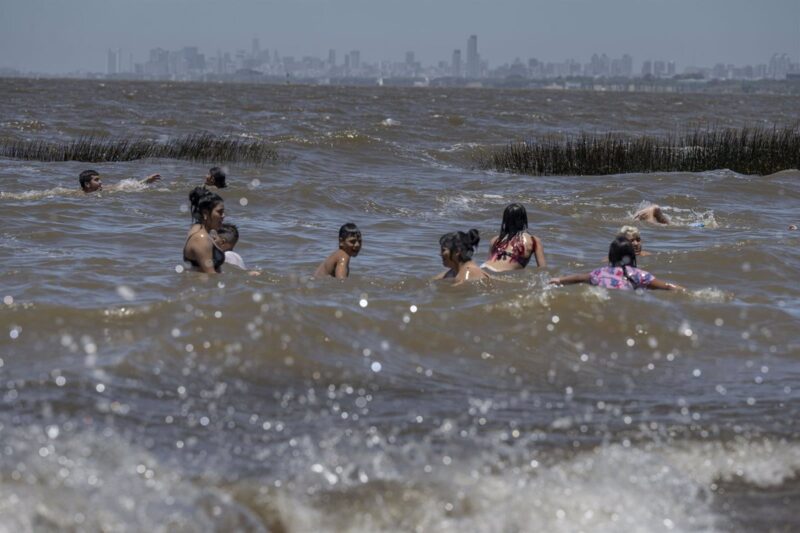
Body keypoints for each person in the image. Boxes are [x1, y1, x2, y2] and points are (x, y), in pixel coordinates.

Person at [549, 236, 683, 291]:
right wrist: (685, 291)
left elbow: (577, 278)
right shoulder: (639, 275)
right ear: (632, 256)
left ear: (610, 256)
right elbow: (667, 286)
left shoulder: (599, 273)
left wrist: (558, 279)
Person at [481, 203, 546, 272]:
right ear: (523, 219)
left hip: (484, 267)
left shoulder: (495, 240)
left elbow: (490, 260)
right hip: (501, 273)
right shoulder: (533, 240)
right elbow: (542, 268)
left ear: (505, 220)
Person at [183, 187, 226, 274]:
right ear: (205, 213)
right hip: (205, 287)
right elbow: (211, 275)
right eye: (219, 212)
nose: (223, 215)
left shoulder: (198, 229)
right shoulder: (200, 238)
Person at [78, 169, 161, 193]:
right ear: (87, 184)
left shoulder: (103, 189)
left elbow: (127, 186)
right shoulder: (79, 194)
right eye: (96, 180)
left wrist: (147, 180)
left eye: (99, 179)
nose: (100, 182)